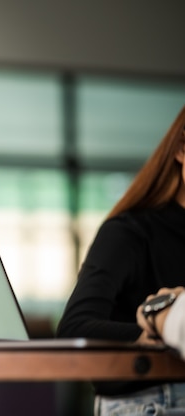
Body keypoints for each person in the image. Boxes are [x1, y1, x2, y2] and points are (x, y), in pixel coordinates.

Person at [56, 104, 185, 415]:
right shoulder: (130, 232)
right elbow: (74, 327)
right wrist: (155, 331)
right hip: (155, 400)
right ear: (181, 149)